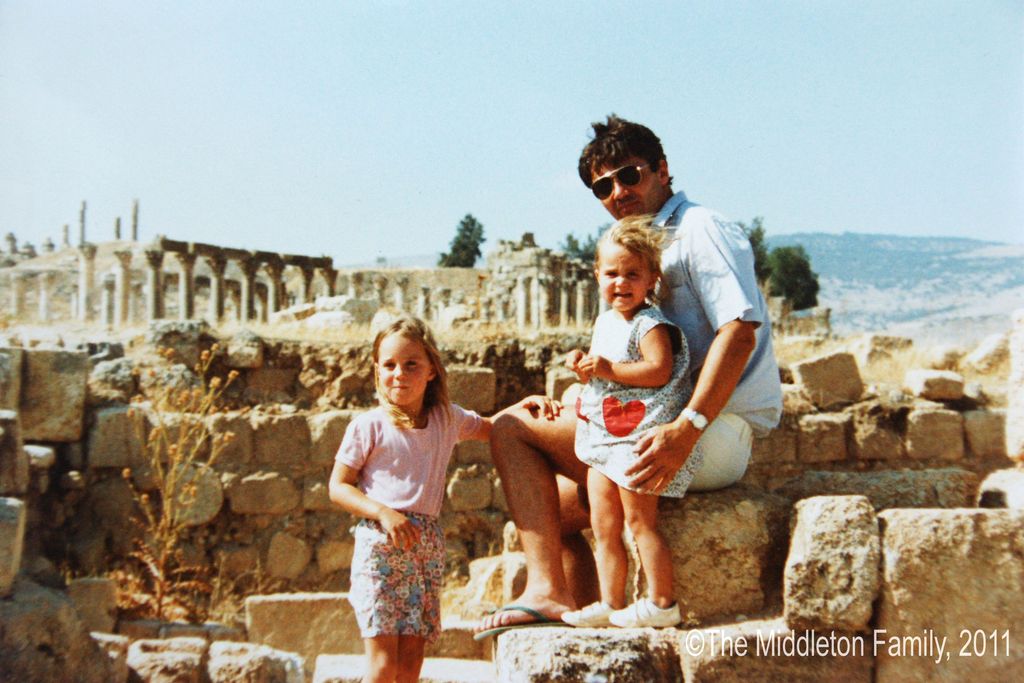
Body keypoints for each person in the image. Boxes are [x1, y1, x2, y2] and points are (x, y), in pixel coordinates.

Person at [475, 115, 783, 637]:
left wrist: (688, 428)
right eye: (603, 186)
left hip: (710, 430)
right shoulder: (637, 247)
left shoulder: (700, 229)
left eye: (629, 175)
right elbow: (629, 358)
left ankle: (546, 592)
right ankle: (587, 623)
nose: (617, 191)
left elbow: (739, 332)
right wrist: (577, 401)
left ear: (662, 170)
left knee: (510, 429)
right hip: (654, 420)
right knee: (555, 512)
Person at [329, 317, 560, 682]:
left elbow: (493, 427)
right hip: (380, 547)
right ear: (377, 370)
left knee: (409, 667)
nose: (399, 374)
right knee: (383, 666)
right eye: (388, 365)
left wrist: (523, 407)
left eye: (411, 364)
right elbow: (338, 486)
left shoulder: (446, 419)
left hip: (425, 550)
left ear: (432, 370)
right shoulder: (367, 426)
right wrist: (383, 513)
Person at [561, 216, 696, 629]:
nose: (621, 283)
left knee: (640, 521)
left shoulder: (650, 324)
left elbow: (658, 370)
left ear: (652, 278)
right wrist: (584, 366)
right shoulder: (605, 322)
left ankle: (661, 602)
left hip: (638, 437)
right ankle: (610, 601)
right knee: (604, 524)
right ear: (597, 275)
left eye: (632, 274)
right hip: (606, 437)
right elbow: (604, 371)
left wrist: (609, 368)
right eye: (612, 274)